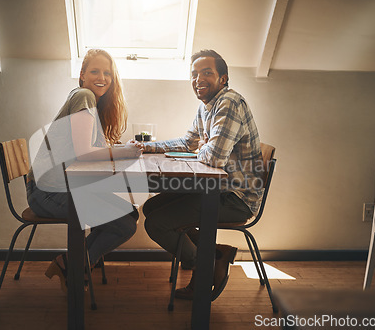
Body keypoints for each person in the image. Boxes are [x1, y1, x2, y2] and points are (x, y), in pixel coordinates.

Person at [133, 49, 264, 301]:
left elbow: (214, 158)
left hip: (237, 198)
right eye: (194, 74)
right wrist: (147, 147)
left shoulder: (229, 103)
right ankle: (215, 253)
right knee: (152, 208)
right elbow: (187, 142)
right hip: (218, 189)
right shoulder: (206, 106)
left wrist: (204, 146)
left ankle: (205, 264)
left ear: (223, 79)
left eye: (207, 73)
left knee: (156, 223)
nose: (198, 79)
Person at [26, 49, 142, 291]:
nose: (102, 77)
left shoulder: (89, 101)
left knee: (128, 214)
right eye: (95, 71)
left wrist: (120, 150)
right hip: (47, 193)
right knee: (125, 225)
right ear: (82, 75)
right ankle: (75, 266)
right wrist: (125, 152)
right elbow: (84, 153)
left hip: (56, 188)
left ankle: (72, 263)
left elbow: (87, 153)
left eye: (107, 73)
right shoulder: (84, 95)